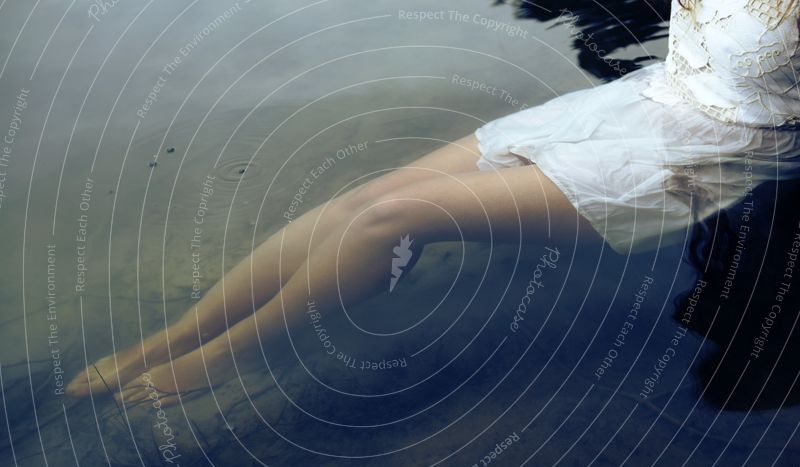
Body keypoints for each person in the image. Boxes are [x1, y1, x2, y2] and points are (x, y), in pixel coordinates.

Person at [66, 0, 800, 405]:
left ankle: (225, 358)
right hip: (641, 101)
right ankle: (167, 340)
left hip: (714, 151)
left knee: (397, 218)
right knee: (374, 194)